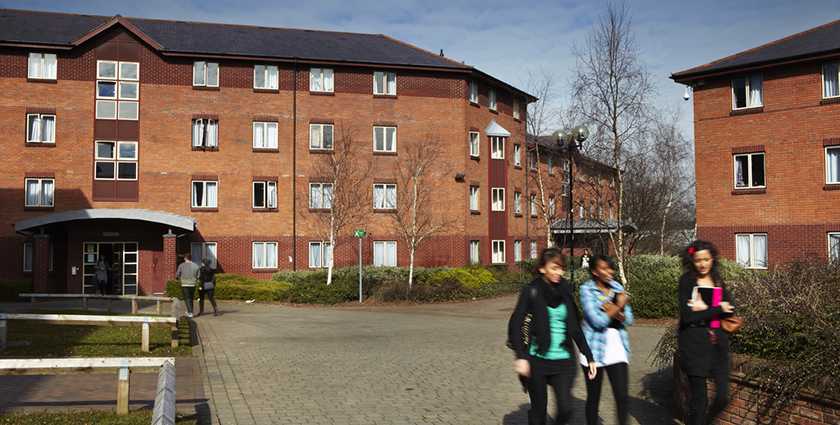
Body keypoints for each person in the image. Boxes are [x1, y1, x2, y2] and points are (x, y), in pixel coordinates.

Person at [509, 248, 597, 425]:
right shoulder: (531, 290)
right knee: (538, 412)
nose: (560, 273)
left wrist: (588, 356)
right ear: (543, 268)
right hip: (537, 360)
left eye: (561, 268)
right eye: (554, 268)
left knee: (566, 409)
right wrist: (521, 356)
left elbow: (574, 327)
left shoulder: (564, 290)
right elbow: (515, 323)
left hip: (562, 360)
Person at [679, 240, 735, 425]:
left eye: (706, 259)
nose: (703, 264)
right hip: (693, 346)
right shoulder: (687, 281)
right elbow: (688, 316)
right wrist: (718, 308)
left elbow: (730, 310)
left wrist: (705, 308)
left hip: (716, 346)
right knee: (700, 400)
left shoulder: (717, 280)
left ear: (713, 259)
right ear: (692, 261)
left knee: (723, 397)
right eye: (698, 260)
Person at [579, 254, 633, 425]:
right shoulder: (586, 290)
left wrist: (612, 310)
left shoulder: (617, 287)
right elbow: (597, 321)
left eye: (611, 268)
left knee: (622, 396)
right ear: (595, 271)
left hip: (617, 348)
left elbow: (629, 319)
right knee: (594, 397)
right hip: (593, 349)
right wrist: (619, 306)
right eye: (604, 268)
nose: (610, 272)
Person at [176, 253, 201, 318]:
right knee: (191, 298)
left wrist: (180, 277)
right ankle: (189, 310)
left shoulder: (181, 265)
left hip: (185, 284)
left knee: (187, 298)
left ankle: (190, 312)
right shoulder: (195, 265)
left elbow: (177, 274)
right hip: (193, 284)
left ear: (185, 258)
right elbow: (198, 275)